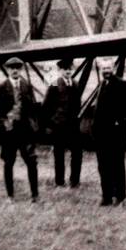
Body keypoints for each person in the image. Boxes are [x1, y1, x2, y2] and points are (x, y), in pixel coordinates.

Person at [0, 57, 41, 202]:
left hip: (25, 132)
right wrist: (4, 119)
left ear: (21, 69)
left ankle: (35, 195)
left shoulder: (27, 86)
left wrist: (33, 126)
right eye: (12, 68)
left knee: (31, 162)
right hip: (8, 133)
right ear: (8, 70)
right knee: (9, 163)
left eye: (18, 67)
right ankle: (10, 196)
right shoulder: (0, 88)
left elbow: (32, 109)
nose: (15, 70)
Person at [92, 58, 126, 206]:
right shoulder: (102, 84)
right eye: (103, 69)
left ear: (114, 69)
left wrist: (119, 122)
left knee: (117, 166)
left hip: (116, 134)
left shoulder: (122, 84)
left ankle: (120, 195)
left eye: (108, 68)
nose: (106, 71)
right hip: (102, 135)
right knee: (103, 166)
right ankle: (107, 196)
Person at [41, 58, 82, 188]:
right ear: (60, 70)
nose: (68, 71)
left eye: (70, 68)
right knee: (59, 155)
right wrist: (49, 125)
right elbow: (45, 107)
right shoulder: (54, 85)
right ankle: (59, 182)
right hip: (59, 126)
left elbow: (78, 104)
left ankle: (74, 181)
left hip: (73, 126)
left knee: (77, 153)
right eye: (65, 69)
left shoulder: (75, 84)